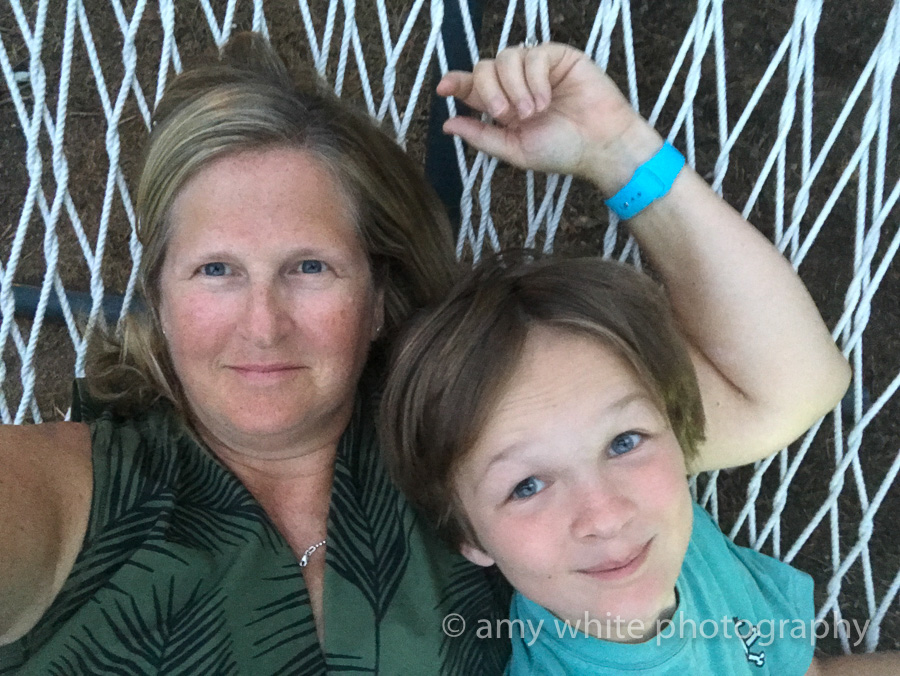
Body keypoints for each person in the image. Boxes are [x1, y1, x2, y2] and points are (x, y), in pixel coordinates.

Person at [0, 35, 849, 675]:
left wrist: (618, 151)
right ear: (159, 294)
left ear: (378, 293)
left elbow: (787, 389)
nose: (262, 325)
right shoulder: (74, 495)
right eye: (215, 270)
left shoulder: (466, 419)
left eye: (310, 268)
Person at [380, 45, 897, 675]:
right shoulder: (641, 543)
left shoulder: (674, 549)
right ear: (469, 536)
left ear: (678, 432)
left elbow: (802, 379)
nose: (605, 514)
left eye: (624, 442)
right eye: (526, 486)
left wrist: (618, 147)